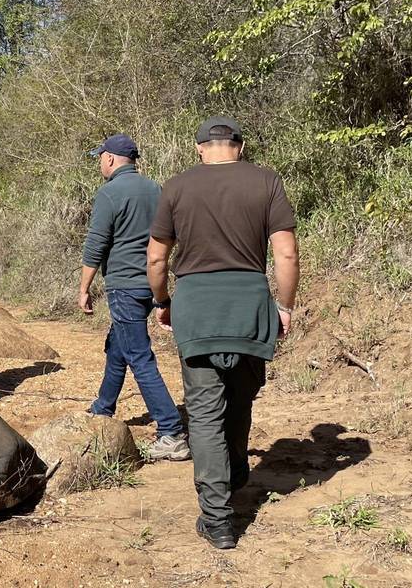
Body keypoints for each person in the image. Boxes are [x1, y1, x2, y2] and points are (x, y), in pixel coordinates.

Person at [147, 117, 299, 550]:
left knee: (205, 411)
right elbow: (285, 252)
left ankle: (217, 521)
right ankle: (233, 476)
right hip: (249, 304)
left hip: (196, 307)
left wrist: (163, 302)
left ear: (199, 148)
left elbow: (156, 261)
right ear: (240, 145)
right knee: (241, 396)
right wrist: (284, 305)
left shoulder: (176, 187)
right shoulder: (266, 182)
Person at [78, 134, 189, 461]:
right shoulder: (156, 189)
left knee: (139, 356)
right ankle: (103, 406)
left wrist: (84, 288)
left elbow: (96, 245)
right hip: (151, 283)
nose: (99, 162)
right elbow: (169, 236)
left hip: (124, 286)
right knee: (119, 344)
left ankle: (171, 430)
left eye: (100, 157)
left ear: (111, 159)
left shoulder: (110, 193)